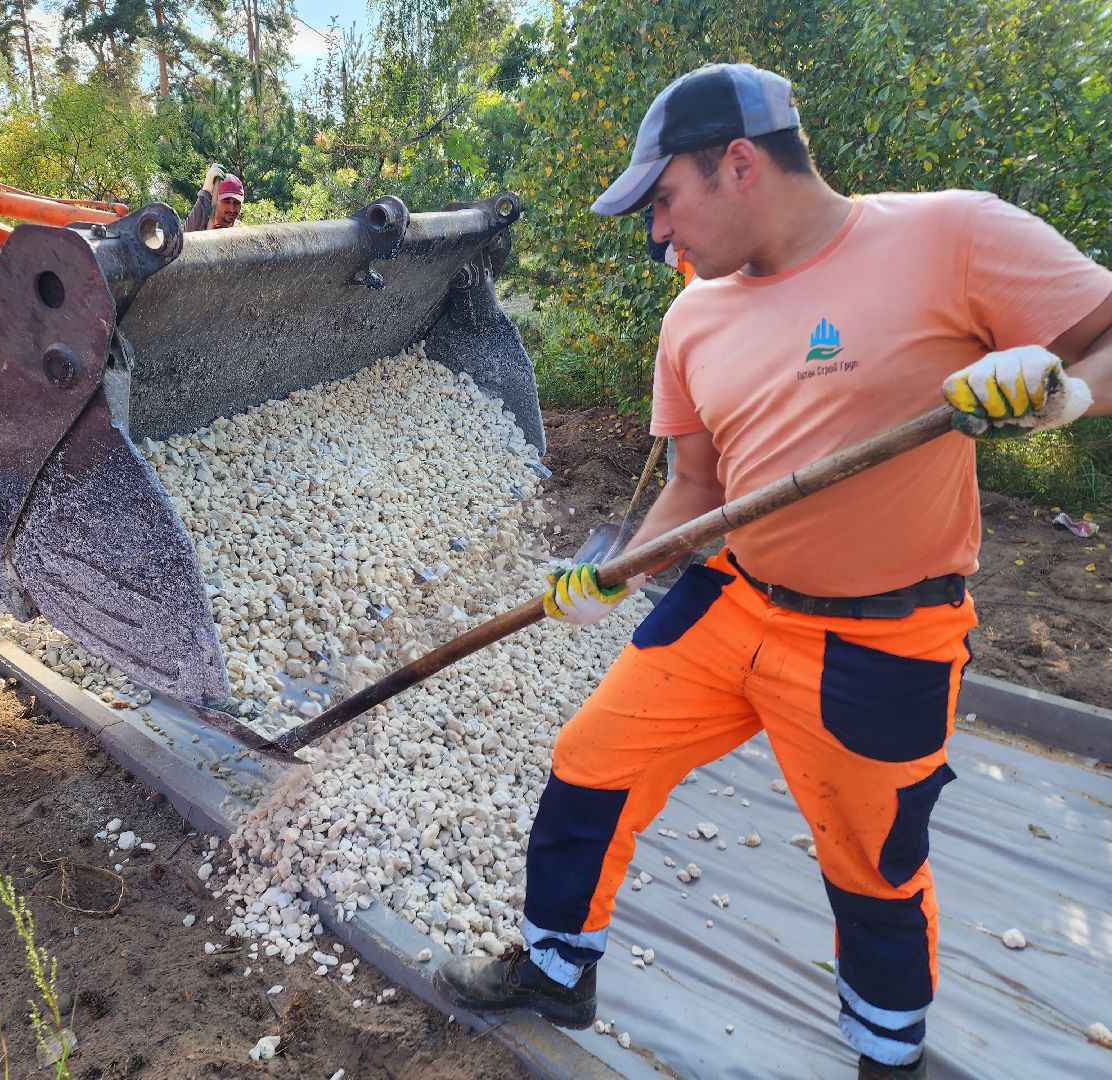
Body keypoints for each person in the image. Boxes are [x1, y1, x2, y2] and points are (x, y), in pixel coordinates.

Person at [433, 63, 1112, 1079]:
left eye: (664, 199)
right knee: (589, 760)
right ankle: (553, 968)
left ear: (738, 163)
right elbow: (697, 491)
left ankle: (889, 1053)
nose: (659, 234)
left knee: (873, 859)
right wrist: (612, 570)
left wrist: (1060, 393)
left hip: (882, 634)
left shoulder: (952, 235)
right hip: (736, 598)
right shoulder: (693, 319)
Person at [186, 162, 244, 231]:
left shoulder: (241, 230)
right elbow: (187, 235)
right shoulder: (203, 228)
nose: (232, 209)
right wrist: (206, 191)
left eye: (237, 202)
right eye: (226, 201)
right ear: (216, 201)